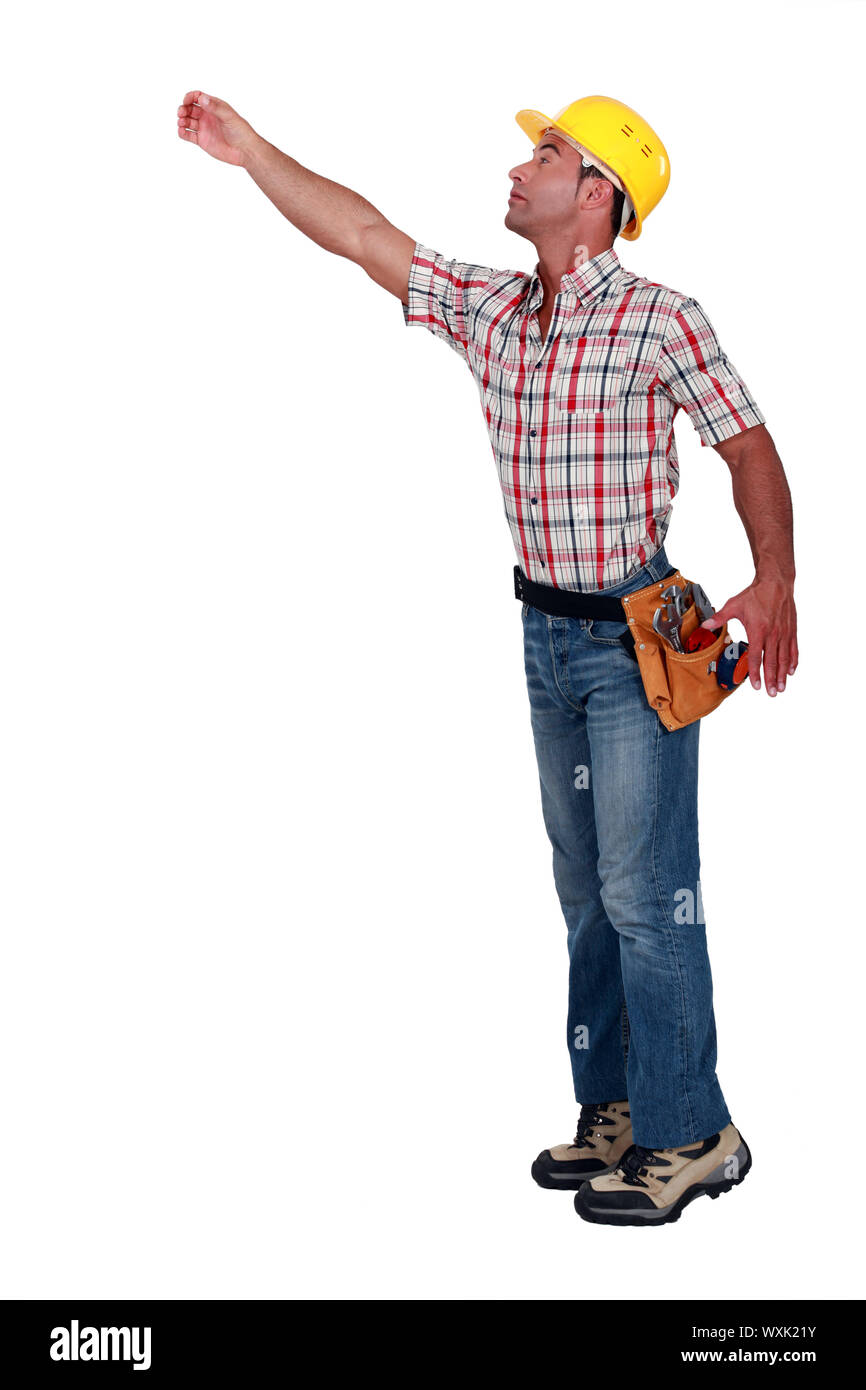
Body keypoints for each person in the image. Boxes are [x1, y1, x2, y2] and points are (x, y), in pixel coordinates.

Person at [176, 91, 797, 1227]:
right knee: (585, 892)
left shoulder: (660, 318)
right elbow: (362, 235)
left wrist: (776, 576)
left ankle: (691, 1130)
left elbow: (744, 440)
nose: (521, 165)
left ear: (597, 193)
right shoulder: (495, 311)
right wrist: (248, 150)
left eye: (547, 153)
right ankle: (615, 1106)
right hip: (543, 635)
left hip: (632, 636)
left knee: (647, 894)